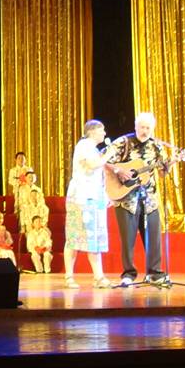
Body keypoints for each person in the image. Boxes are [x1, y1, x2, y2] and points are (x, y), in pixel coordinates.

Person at [110, 112, 185, 288]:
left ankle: (155, 273)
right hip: (125, 197)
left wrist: (171, 162)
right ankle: (128, 273)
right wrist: (118, 171)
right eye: (142, 127)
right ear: (136, 127)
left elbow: (161, 172)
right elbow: (105, 160)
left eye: (148, 128)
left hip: (149, 197)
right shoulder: (123, 142)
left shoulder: (157, 146)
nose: (145, 131)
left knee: (153, 235)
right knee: (128, 238)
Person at [66, 119, 117, 289]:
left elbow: (97, 176)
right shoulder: (84, 145)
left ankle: (98, 277)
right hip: (80, 198)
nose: (104, 133)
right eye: (102, 130)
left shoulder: (93, 149)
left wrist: (105, 195)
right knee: (75, 237)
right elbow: (93, 165)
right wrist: (109, 154)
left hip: (93, 198)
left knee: (94, 237)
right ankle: (69, 277)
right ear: (92, 131)